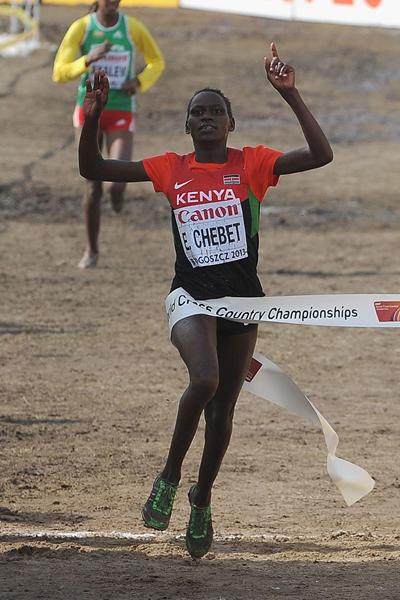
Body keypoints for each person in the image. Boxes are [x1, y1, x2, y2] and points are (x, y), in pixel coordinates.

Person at [78, 42, 333, 558]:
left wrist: (291, 94)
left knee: (221, 416)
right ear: (188, 127)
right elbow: (92, 169)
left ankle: (202, 496)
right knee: (206, 377)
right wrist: (94, 115)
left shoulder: (254, 164)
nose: (208, 117)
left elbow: (322, 154)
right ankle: (170, 473)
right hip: (190, 297)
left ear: (231, 122)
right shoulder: (172, 168)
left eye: (217, 111)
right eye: (199, 112)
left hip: (242, 304)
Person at [52, 0, 165, 268]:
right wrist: (87, 59)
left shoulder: (132, 27)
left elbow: (157, 61)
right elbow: (59, 72)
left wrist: (138, 82)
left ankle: (117, 197)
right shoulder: (81, 28)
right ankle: (91, 250)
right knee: (92, 182)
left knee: (116, 182)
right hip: (89, 110)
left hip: (121, 108)